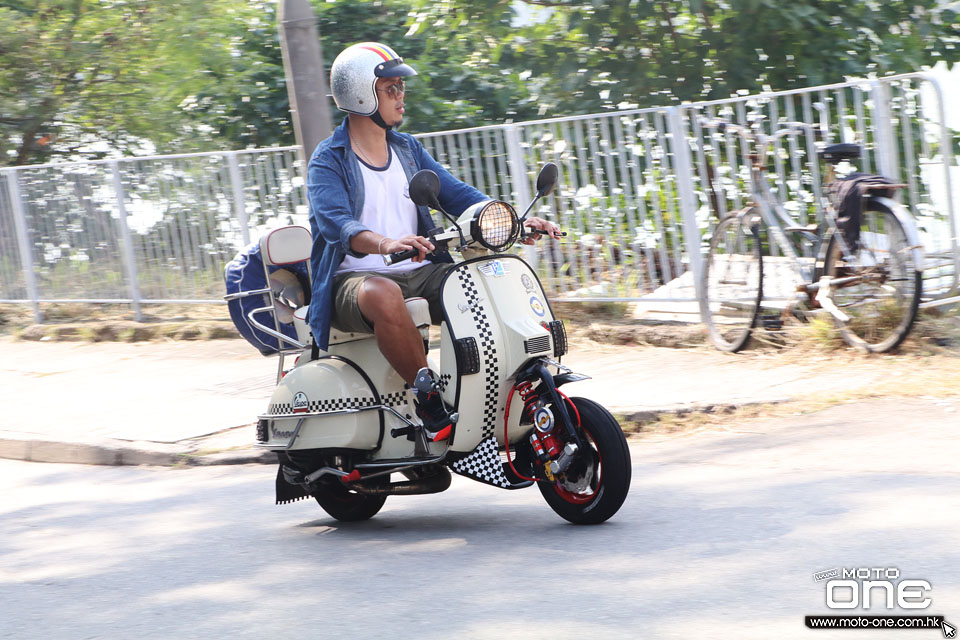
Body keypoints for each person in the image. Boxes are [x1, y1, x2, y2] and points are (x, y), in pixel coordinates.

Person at [306, 41, 559, 439]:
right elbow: (337, 224)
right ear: (361, 95)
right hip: (353, 283)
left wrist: (513, 221)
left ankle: (502, 391)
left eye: (401, 88)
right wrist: (385, 244)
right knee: (384, 293)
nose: (400, 96)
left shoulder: (407, 149)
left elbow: (459, 196)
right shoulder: (329, 159)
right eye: (390, 88)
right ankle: (427, 397)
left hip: (419, 269)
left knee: (476, 281)